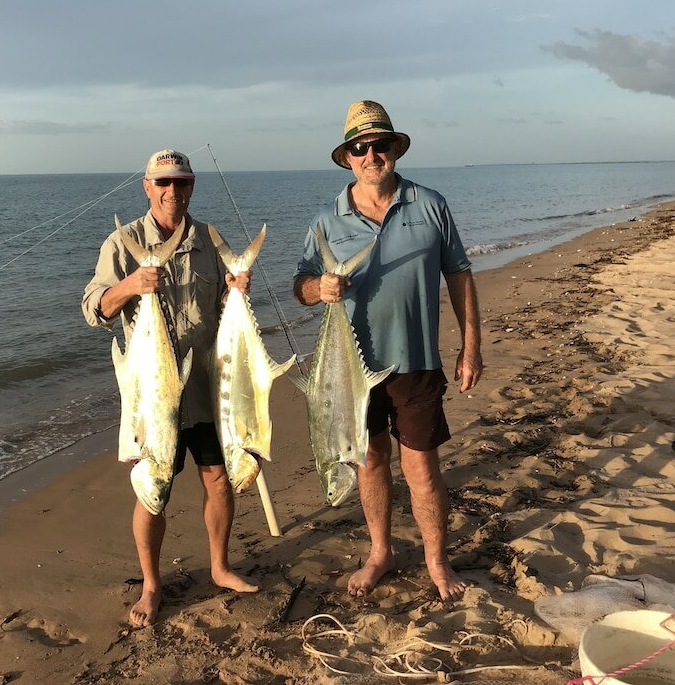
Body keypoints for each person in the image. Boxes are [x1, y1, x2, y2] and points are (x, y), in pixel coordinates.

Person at [293, 101, 483, 602]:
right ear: (347, 157)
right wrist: (318, 289)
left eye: (379, 145)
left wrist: (471, 348)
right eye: (360, 147)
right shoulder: (325, 221)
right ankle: (381, 552)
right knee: (371, 461)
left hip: (416, 363)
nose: (371, 155)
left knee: (421, 469)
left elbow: (459, 275)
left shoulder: (430, 204)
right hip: (351, 371)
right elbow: (300, 286)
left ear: (394, 149)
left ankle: (437, 559)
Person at [82, 149, 258, 628]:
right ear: (147, 186)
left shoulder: (210, 241)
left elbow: (222, 311)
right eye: (162, 182)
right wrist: (131, 285)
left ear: (192, 186)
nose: (172, 191)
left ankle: (219, 567)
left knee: (218, 478)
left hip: (206, 386)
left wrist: (237, 291)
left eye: (181, 182)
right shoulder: (122, 243)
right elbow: (94, 309)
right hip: (153, 395)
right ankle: (151, 585)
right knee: (153, 490)